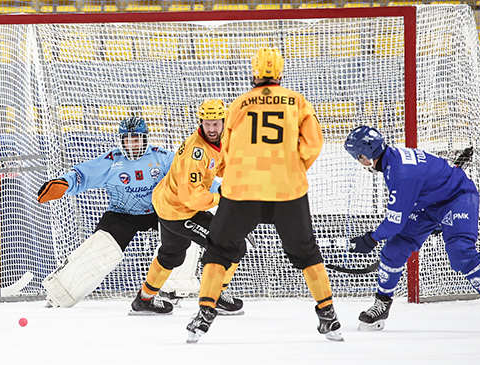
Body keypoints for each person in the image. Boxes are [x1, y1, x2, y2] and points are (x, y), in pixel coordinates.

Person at [186, 47, 339, 343]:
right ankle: (328, 315)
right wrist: (294, 166)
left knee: (218, 249)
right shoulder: (297, 102)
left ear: (254, 72)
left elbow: (225, 150)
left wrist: (227, 174)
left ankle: (204, 315)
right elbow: (314, 143)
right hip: (287, 189)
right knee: (306, 251)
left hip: (243, 189)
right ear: (280, 72)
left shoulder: (239, 104)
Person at [342, 125, 480, 333]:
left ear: (367, 154)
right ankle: (382, 305)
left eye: (358, 156)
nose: (359, 162)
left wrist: (371, 238)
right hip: (428, 203)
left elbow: (395, 222)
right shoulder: (391, 159)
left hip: (457, 197)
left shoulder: (400, 172)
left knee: (460, 251)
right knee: (395, 249)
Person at [37, 116, 173, 308]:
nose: (131, 144)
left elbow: (188, 174)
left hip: (158, 210)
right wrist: (65, 183)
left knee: (183, 236)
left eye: (136, 139)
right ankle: (59, 296)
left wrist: (216, 189)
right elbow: (83, 174)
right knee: (99, 252)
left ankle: (175, 290)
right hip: (122, 214)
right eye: (127, 139)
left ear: (145, 139)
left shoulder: (162, 156)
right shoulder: (112, 160)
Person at [131, 99, 244, 316]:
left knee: (171, 255)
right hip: (180, 209)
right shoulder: (196, 152)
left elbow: (220, 165)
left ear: (223, 121)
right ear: (201, 122)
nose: (211, 128)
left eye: (215, 124)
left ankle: (144, 300)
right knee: (231, 245)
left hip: (167, 204)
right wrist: (222, 196)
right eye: (207, 124)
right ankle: (216, 296)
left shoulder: (220, 138)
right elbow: (192, 198)